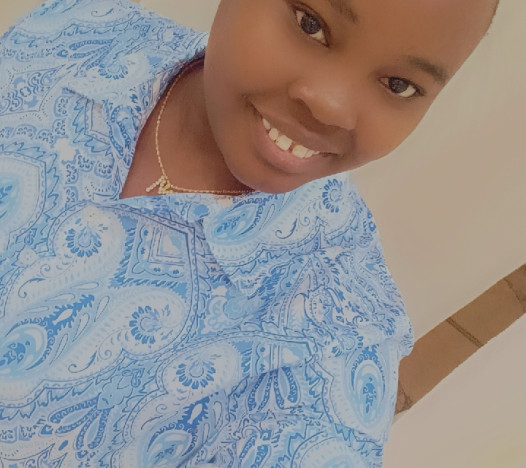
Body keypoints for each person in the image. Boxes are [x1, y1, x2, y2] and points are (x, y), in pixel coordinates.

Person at [0, 0, 498, 466]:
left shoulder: (333, 341)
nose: (331, 106)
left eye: (398, 85)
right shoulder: (78, 27)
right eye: (310, 24)